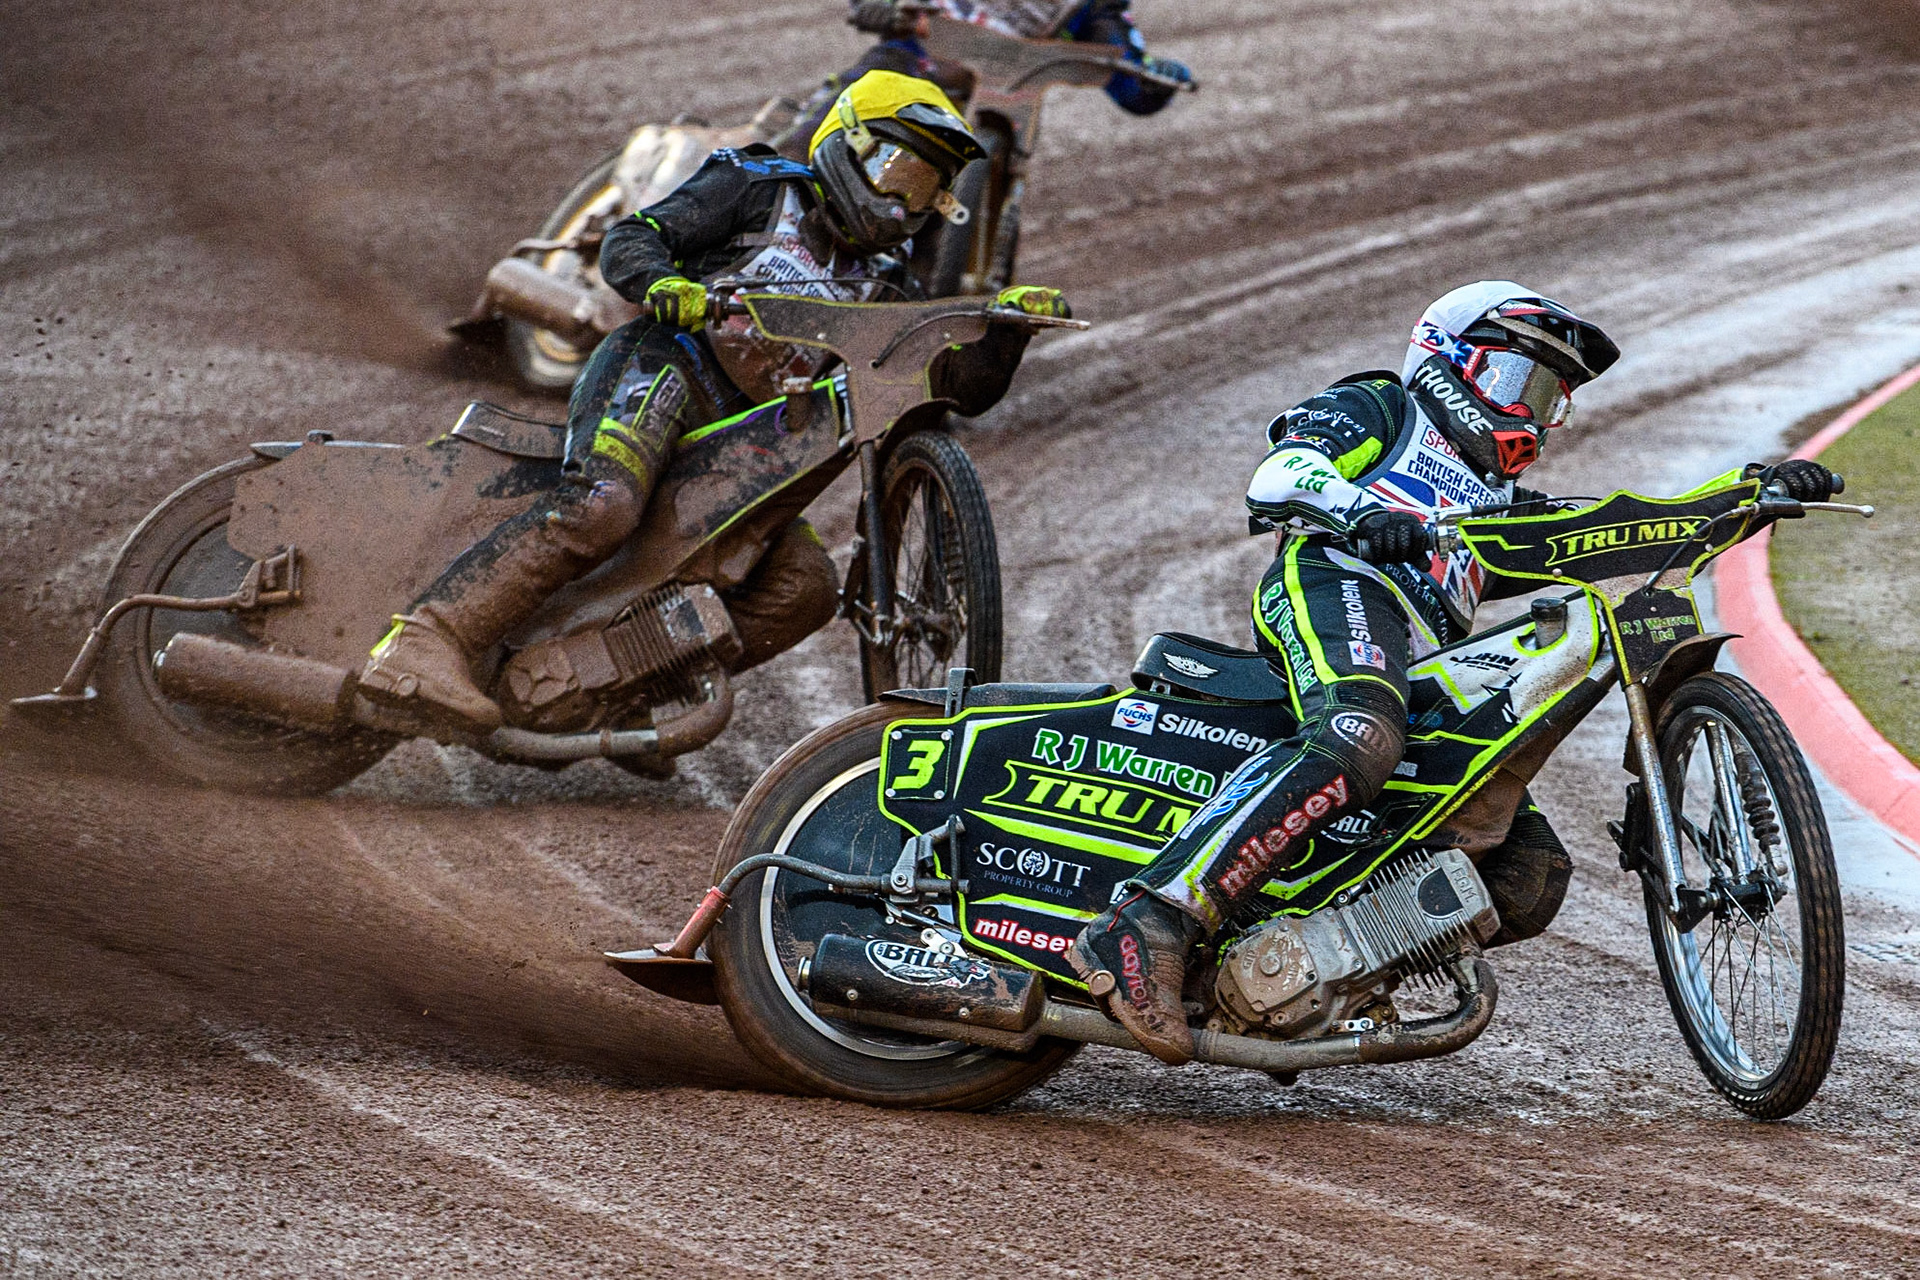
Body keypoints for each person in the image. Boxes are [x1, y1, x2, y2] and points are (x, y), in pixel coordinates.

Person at [1066, 280, 1842, 1064]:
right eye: (1520, 383)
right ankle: (1148, 925)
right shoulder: (1383, 406)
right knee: (1359, 730)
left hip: (1409, 645)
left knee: (1527, 872)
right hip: (1334, 579)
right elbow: (1281, 474)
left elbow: (1604, 530)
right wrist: (1364, 513)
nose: (1534, 414)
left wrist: (1745, 496)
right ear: (1451, 361)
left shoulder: (1499, 502)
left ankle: (1303, 966)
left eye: (1551, 399)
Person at [359, 71, 1070, 734]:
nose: (905, 204)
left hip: (754, 443)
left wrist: (1004, 335)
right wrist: (663, 282)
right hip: (669, 367)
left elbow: (956, 394)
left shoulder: (891, 289)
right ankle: (423, 642)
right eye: (898, 172)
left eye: (926, 190)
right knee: (601, 505)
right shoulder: (758, 185)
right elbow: (634, 238)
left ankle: (622, 697)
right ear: (849, 145)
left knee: (806, 587)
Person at [781, 0, 1192, 157]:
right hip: (907, 65)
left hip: (995, 101)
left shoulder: (1088, 6)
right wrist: (880, 7)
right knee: (811, 141)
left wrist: (1153, 81)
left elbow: (1121, 61)